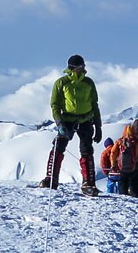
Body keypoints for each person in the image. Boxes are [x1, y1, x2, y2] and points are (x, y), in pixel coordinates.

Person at [41, 54, 103, 195]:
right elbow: (55, 105)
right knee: (59, 146)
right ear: (72, 68)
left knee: (87, 150)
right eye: (81, 67)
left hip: (86, 119)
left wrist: (98, 126)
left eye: (83, 66)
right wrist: (59, 123)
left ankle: (89, 183)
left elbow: (94, 104)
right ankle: (51, 178)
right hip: (67, 119)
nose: (83, 69)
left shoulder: (89, 83)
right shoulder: (61, 83)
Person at [114, 120, 138, 200]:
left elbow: (113, 153)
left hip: (123, 168)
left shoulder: (121, 141)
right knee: (137, 185)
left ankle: (122, 198)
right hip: (137, 167)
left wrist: (114, 164)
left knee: (123, 183)